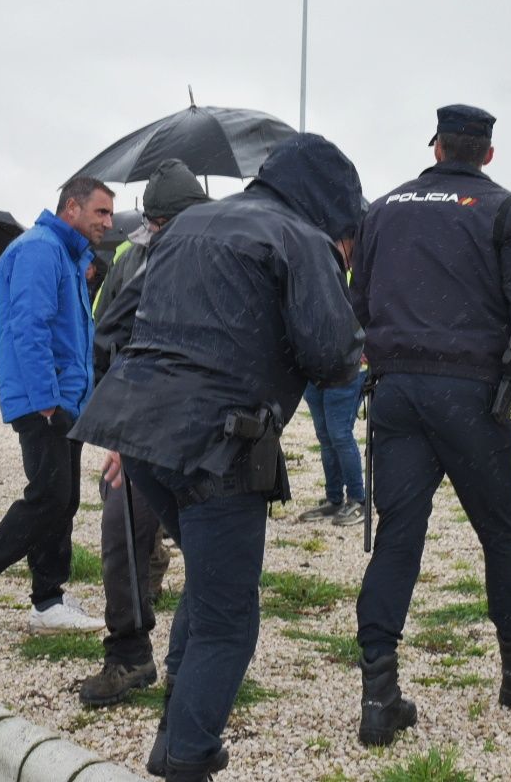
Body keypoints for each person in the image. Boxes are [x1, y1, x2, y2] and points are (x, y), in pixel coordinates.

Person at [72, 134, 364, 782]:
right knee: (230, 618)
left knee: (209, 584)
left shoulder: (186, 225)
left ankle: (174, 735)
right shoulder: (301, 239)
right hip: (217, 449)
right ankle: (188, 757)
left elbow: (114, 325)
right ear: (329, 199)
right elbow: (332, 356)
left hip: (143, 435)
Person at [351, 105, 511, 749]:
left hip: (395, 392)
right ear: (488, 154)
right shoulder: (505, 212)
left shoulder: (384, 209)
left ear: (437, 145)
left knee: (399, 535)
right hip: (470, 397)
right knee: (502, 529)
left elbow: (357, 298)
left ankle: (378, 693)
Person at [0, 177, 113, 636]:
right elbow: (30, 328)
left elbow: (71, 334)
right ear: (71, 207)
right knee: (48, 499)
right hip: (45, 401)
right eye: (101, 212)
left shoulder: (68, 255)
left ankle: (48, 600)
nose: (108, 223)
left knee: (63, 499)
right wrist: (46, 399)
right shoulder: (41, 249)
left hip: (64, 398)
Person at [80, 159, 209, 710]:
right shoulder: (132, 263)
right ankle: (129, 651)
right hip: (144, 427)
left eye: (164, 224)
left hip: (211, 428)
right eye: (152, 225)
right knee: (120, 528)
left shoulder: (223, 257)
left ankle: (202, 661)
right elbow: (106, 346)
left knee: (213, 546)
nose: (156, 233)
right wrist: (119, 434)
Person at [296, 343, 367, 528]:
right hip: (314, 368)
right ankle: (335, 498)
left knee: (340, 435)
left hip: (346, 367)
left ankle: (358, 499)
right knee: (327, 437)